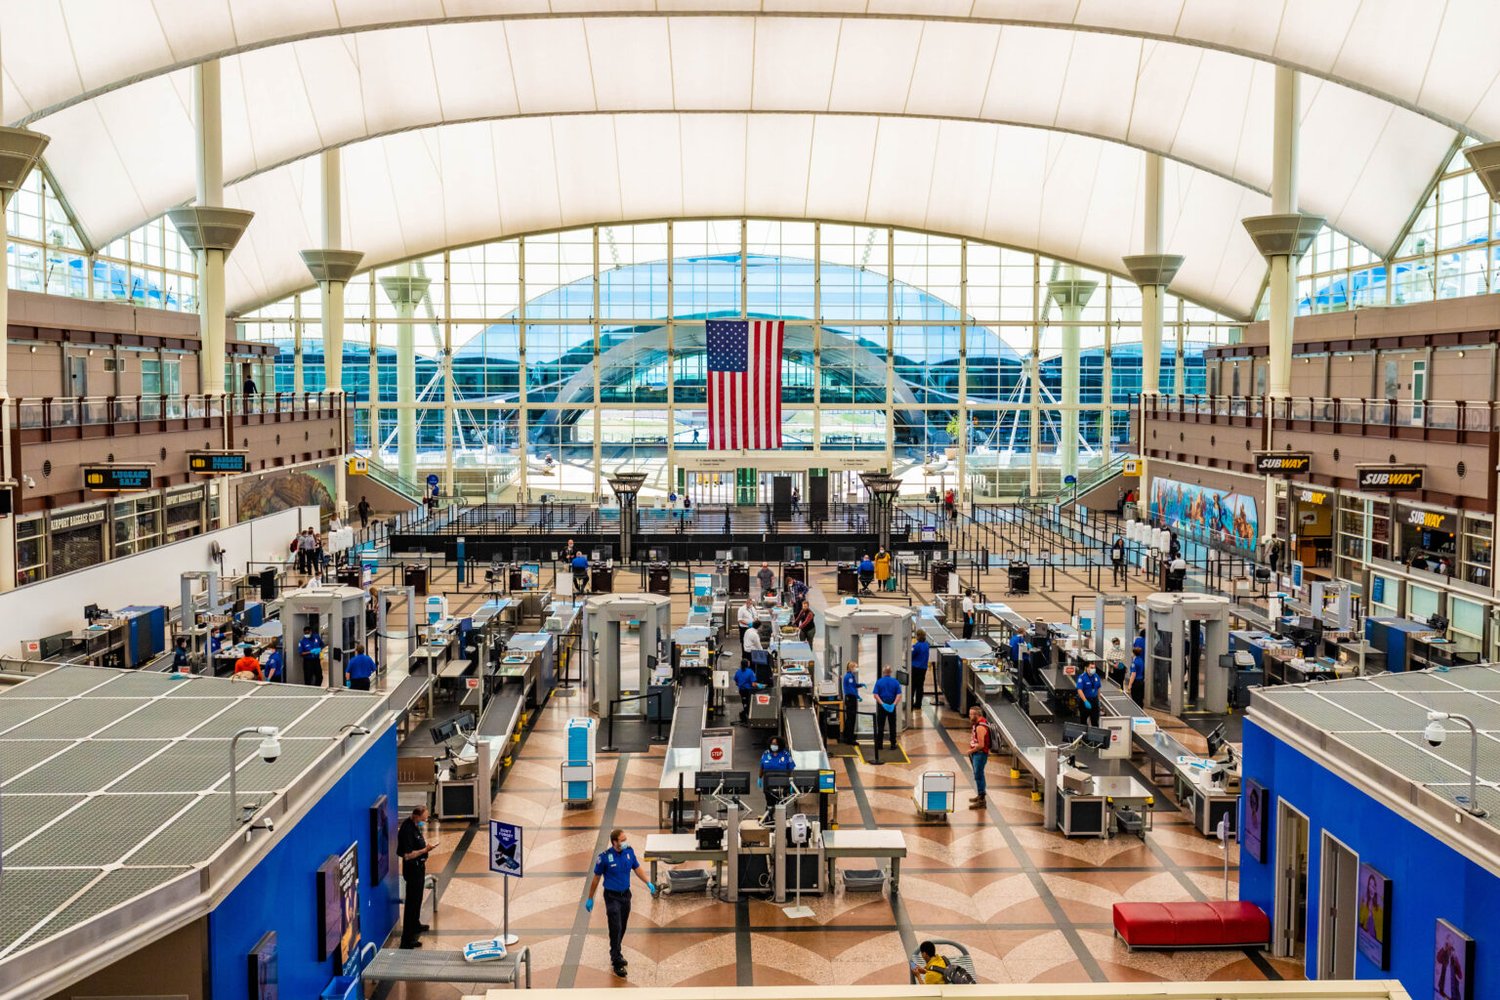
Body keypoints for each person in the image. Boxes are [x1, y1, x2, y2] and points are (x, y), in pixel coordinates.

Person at [584, 828, 656, 978]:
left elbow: (637, 869)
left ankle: (615, 951)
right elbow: (596, 879)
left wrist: (648, 883)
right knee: (615, 926)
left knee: (622, 926)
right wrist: (590, 897)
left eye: (625, 839)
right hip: (611, 897)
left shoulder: (629, 852)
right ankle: (616, 959)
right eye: (622, 840)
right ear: (614, 842)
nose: (625, 842)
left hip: (626, 895)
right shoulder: (604, 858)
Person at [397, 806, 438, 947]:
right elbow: (407, 855)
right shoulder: (407, 830)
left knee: (418, 900)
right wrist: (425, 850)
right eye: (423, 818)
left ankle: (416, 924)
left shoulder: (415, 826)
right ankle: (407, 939)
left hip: (419, 869)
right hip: (412, 870)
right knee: (411, 904)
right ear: (416, 816)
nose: (425, 821)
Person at [872, 665, 902, 752]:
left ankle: (879, 745)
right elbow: (899, 694)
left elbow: (875, 695)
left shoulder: (879, 682)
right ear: (890, 672)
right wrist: (893, 704)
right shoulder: (895, 682)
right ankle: (893, 744)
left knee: (880, 726)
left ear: (883, 672)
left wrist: (882, 704)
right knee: (892, 725)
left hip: (882, 706)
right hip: (892, 706)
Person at [967, 705, 991, 807]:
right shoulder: (977, 723)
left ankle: (982, 799)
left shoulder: (980, 727)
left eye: (971, 714)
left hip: (980, 754)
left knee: (978, 775)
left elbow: (981, 745)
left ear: (976, 715)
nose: (969, 716)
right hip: (977, 754)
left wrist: (971, 751)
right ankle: (980, 794)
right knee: (978, 775)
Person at [840, 660, 864, 745]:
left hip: (850, 698)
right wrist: (857, 696)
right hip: (851, 699)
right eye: (855, 667)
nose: (856, 669)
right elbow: (851, 689)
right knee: (851, 719)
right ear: (851, 667)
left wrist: (860, 685)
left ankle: (847, 737)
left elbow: (854, 685)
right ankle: (850, 739)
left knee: (849, 718)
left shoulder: (850, 676)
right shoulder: (849, 677)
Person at [1075, 660, 1102, 728]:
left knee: (1095, 721)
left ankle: (1095, 737)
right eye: (1091, 667)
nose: (1093, 669)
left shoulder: (1096, 676)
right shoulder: (1082, 677)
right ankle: (1084, 736)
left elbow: (1098, 688)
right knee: (1083, 721)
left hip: (1094, 701)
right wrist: (1085, 701)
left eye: (1094, 667)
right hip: (1085, 701)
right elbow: (1079, 690)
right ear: (1087, 668)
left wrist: (1098, 700)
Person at [910, 628, 931, 710]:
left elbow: (911, 655)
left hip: (915, 668)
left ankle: (910, 703)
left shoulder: (917, 646)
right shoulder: (927, 645)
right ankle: (918, 704)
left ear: (918, 636)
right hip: (923, 668)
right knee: (920, 687)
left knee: (912, 686)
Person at [734, 658, 760, 724]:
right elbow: (753, 684)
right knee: (749, 703)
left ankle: (745, 714)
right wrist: (761, 686)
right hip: (748, 691)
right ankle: (746, 715)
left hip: (741, 690)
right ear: (747, 664)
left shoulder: (738, 672)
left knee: (744, 702)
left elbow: (736, 681)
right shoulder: (750, 672)